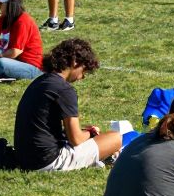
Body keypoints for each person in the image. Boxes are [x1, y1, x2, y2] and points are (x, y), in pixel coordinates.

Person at [13, 38, 122, 171]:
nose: (82, 77)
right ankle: (107, 157)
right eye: (84, 70)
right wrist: (91, 132)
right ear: (75, 61)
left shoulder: (40, 82)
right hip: (48, 161)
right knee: (115, 138)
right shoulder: (64, 89)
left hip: (24, 159)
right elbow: (76, 139)